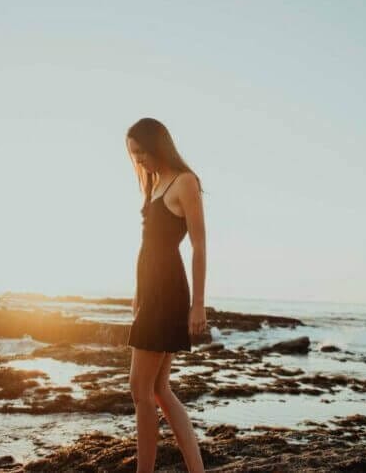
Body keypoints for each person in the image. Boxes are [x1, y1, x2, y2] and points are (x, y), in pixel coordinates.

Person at [124, 117, 207, 473]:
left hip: (168, 294)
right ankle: (196, 470)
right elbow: (147, 247)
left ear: (158, 145)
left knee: (139, 389)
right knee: (158, 388)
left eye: (142, 151)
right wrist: (137, 294)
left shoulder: (184, 182)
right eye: (133, 154)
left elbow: (199, 246)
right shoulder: (154, 184)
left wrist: (198, 305)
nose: (138, 159)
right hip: (151, 294)